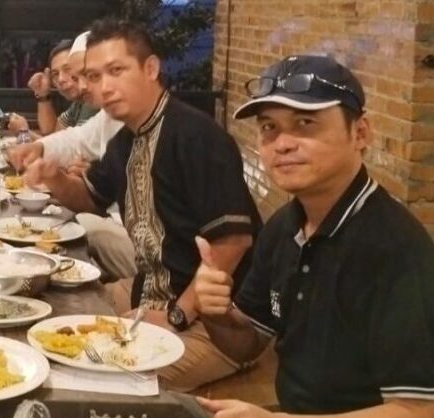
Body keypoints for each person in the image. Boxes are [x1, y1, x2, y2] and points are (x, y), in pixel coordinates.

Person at [191, 55, 434, 418]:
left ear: (360, 133)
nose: (282, 143)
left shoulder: (397, 251)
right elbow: (247, 344)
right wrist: (215, 311)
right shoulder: (286, 226)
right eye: (270, 128)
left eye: (305, 124)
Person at [24, 19, 262, 391]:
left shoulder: (196, 136)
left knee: (90, 379)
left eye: (116, 70)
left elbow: (233, 241)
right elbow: (89, 197)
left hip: (216, 323)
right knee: (51, 311)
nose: (104, 86)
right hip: (150, 289)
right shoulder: (125, 140)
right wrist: (52, 176)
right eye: (95, 76)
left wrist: (176, 315)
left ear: (150, 68)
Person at [10, 35, 98, 137]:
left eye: (68, 69)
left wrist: (24, 132)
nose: (61, 79)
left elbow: (71, 148)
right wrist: (43, 95)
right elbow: (53, 133)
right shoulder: (79, 103)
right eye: (55, 74)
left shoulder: (94, 102)